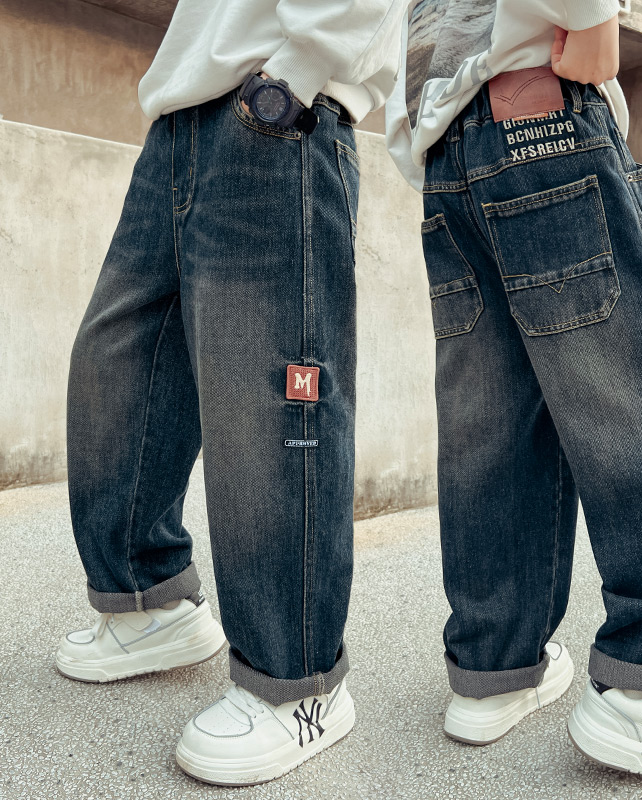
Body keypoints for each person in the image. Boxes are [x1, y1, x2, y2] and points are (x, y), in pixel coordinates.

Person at [385, 0, 642, 785]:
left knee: (493, 422)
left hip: (446, 151)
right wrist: (592, 18)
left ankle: (495, 668)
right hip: (540, 113)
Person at [56, 0, 405, 786]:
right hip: (179, 121)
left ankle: (299, 682)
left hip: (279, 111)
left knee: (272, 408)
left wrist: (298, 74)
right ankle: (149, 604)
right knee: (117, 363)